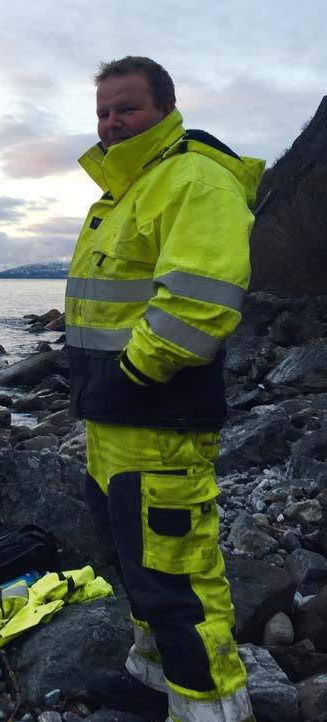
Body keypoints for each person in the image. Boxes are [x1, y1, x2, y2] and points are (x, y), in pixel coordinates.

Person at [65, 56, 265, 722]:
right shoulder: (127, 189)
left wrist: (129, 375)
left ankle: (211, 711)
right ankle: (154, 685)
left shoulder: (192, 178)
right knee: (137, 570)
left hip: (155, 419)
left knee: (180, 582)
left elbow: (198, 304)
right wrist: (103, 394)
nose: (110, 123)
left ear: (164, 107)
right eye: (102, 111)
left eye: (126, 108)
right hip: (112, 424)